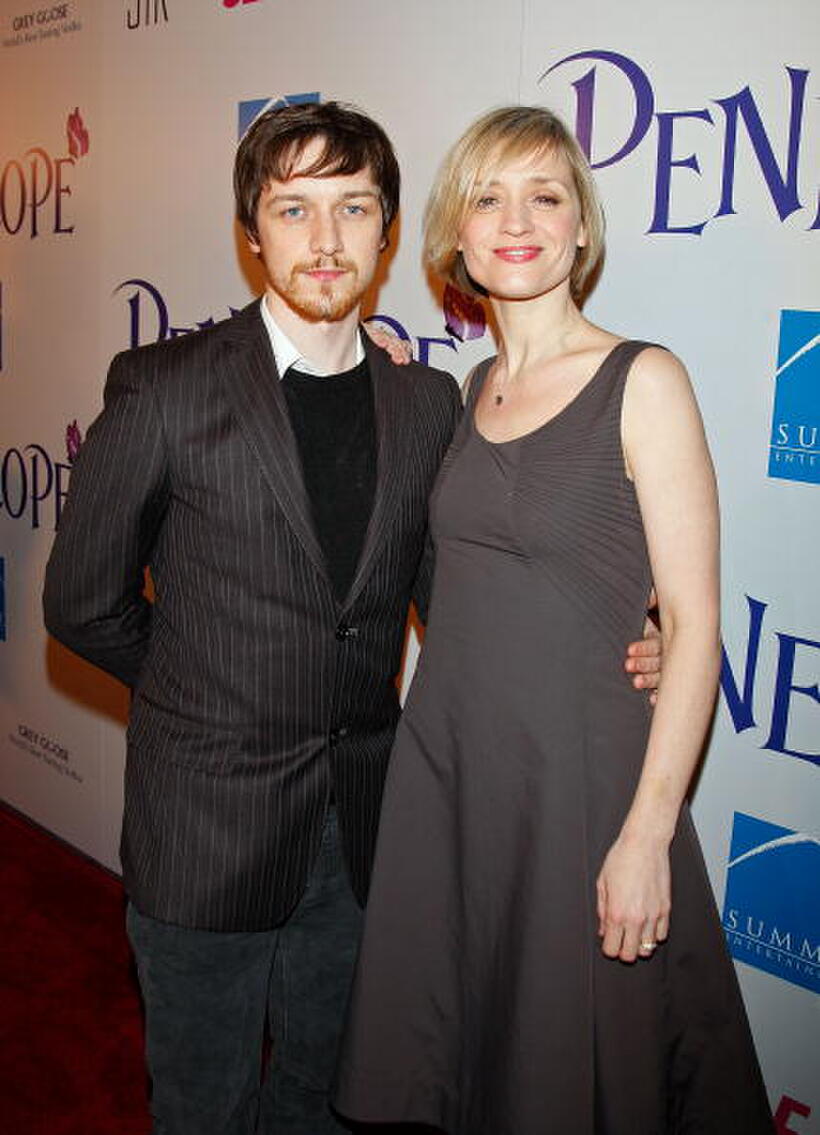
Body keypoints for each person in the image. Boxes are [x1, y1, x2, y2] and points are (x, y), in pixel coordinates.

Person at [43, 102, 661, 1135]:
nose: (325, 239)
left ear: (387, 232)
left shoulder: (427, 405)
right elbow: (80, 603)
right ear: (251, 230)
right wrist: (201, 690)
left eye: (353, 208)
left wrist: (615, 639)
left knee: (328, 1099)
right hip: (203, 831)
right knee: (202, 1105)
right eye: (294, 209)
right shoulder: (163, 390)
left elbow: (459, 601)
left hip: (366, 835)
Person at [334, 106, 774, 1135]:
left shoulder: (643, 380)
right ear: (456, 234)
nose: (516, 221)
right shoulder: (468, 391)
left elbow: (694, 621)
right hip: (455, 775)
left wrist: (647, 835)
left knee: (581, 1064)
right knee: (475, 1049)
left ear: (581, 227)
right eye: (487, 198)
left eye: (545, 196)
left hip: (580, 787)